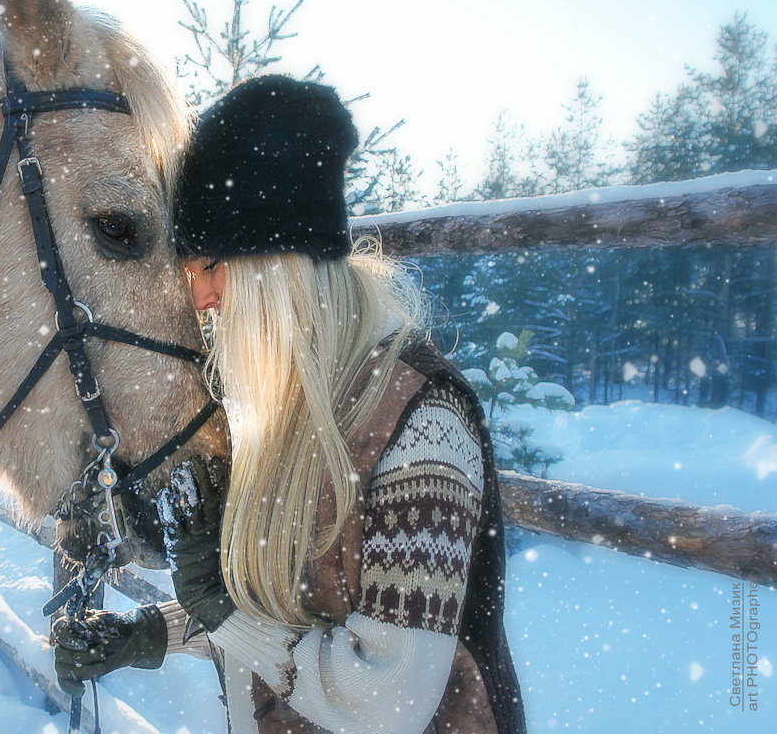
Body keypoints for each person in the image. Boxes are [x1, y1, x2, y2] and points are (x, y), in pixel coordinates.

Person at [52, 76, 526, 733]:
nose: (199, 298)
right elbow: (285, 612)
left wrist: (221, 609)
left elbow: (384, 700)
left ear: (275, 264)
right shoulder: (290, 409)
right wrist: (149, 634)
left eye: (208, 265)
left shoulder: (421, 426)